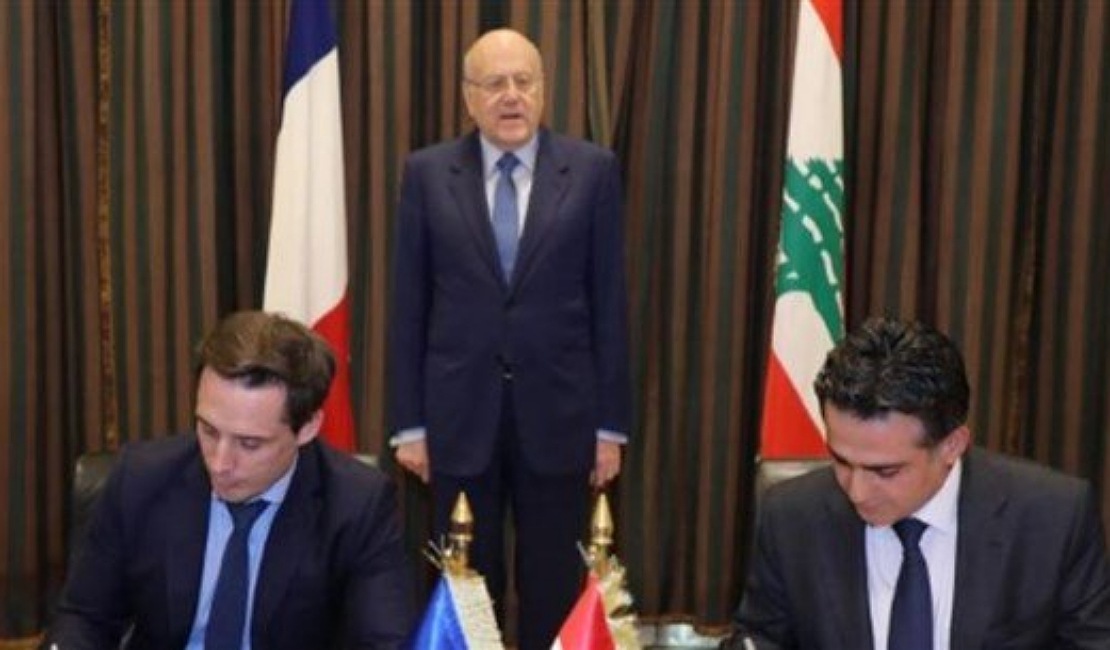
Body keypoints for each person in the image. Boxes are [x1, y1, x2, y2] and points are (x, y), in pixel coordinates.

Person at [387, 28, 630, 650]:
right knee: (469, 584)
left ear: (543, 90)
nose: (511, 95)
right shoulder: (427, 174)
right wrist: (409, 425)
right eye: (495, 83)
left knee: (553, 586)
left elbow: (610, 304)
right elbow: (409, 305)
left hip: (561, 417)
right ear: (469, 97)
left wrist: (609, 427)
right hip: (457, 417)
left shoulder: (592, 172)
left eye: (524, 81)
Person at [724, 316, 1110, 649]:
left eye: (885, 471)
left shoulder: (1053, 519)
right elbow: (760, 637)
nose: (856, 491)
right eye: (841, 461)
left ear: (951, 445)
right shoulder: (791, 517)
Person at [45, 311, 414, 649]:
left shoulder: (357, 505)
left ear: (308, 427)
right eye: (208, 430)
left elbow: (383, 642)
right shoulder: (141, 479)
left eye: (249, 444)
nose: (220, 464)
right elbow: (84, 618)